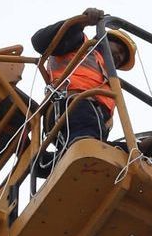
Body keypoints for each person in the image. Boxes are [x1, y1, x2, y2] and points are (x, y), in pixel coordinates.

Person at [30, 16, 137, 152]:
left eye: (123, 58)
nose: (120, 57)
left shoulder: (111, 83)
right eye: (120, 50)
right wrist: (81, 22)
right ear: (103, 39)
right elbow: (39, 41)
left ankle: (47, 162)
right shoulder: (80, 44)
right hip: (69, 109)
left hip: (92, 126)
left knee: (128, 152)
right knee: (87, 143)